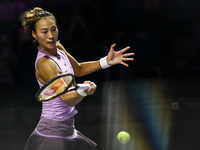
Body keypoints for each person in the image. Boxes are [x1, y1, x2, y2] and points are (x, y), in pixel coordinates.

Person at [20, 7, 134, 150]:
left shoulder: (59, 48)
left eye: (53, 29)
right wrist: (84, 91)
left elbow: (78, 69)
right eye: (44, 31)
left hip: (68, 129)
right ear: (34, 34)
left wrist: (105, 62)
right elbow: (67, 98)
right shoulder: (45, 64)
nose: (51, 36)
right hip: (52, 134)